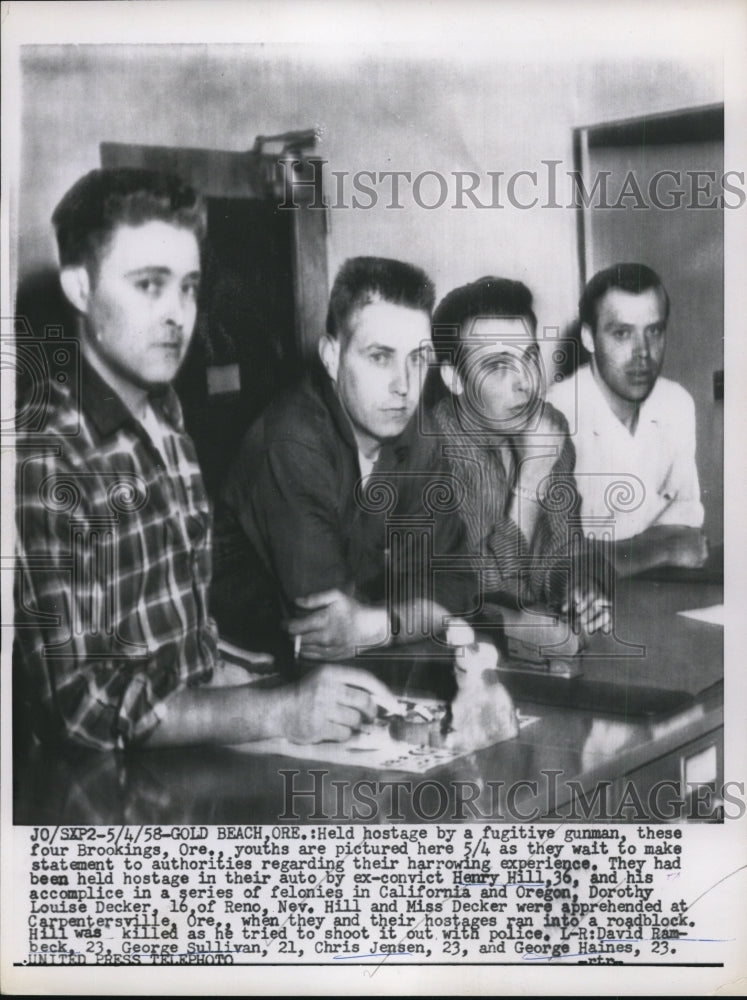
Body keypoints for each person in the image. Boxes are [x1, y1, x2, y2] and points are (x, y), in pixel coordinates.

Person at [14, 168, 391, 751]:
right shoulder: (46, 454)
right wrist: (275, 711)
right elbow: (79, 707)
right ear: (79, 289)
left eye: (188, 286)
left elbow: (181, 649)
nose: (177, 313)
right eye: (148, 285)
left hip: (189, 769)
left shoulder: (166, 414)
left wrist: (268, 676)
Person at [221, 256, 472, 662]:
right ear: (331, 357)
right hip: (243, 674)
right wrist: (414, 615)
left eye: (418, 358)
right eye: (379, 357)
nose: (404, 386)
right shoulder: (291, 442)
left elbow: (457, 582)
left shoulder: (416, 431)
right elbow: (327, 630)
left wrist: (380, 624)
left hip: (368, 659)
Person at [430, 276, 610, 634]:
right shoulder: (430, 452)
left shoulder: (548, 425)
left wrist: (577, 589)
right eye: (498, 366)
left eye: (529, 358)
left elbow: (563, 552)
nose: (525, 382)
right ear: (454, 379)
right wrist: (530, 480)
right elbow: (484, 595)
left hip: (533, 645)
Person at [548, 263, 707, 577]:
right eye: (622, 333)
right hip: (578, 606)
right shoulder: (555, 415)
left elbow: (689, 535)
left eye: (654, 331)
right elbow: (554, 562)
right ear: (589, 338)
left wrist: (614, 555)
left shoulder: (676, 403)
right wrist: (662, 547)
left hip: (657, 591)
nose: (643, 353)